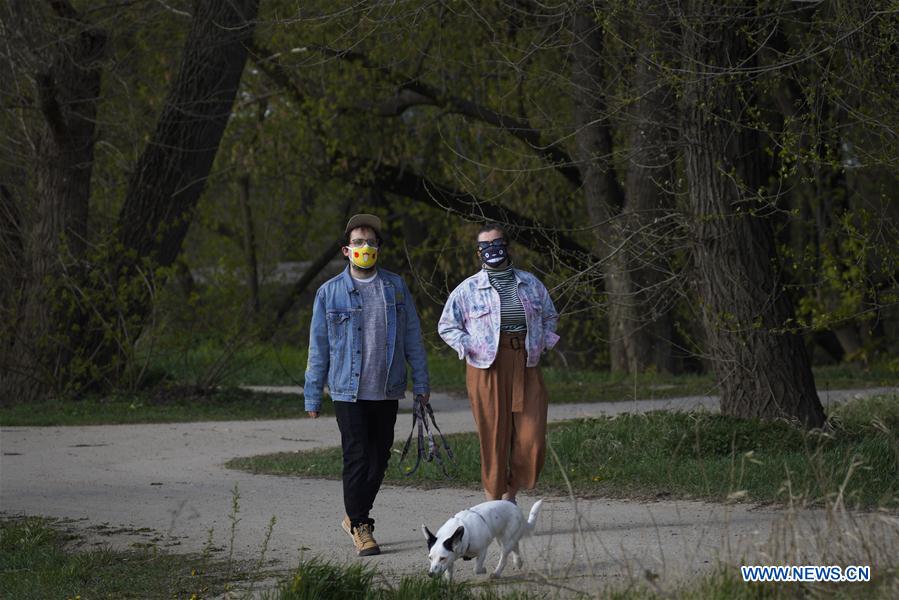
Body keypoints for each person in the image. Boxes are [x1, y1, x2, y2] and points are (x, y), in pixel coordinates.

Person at [304, 213, 430, 556]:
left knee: (379, 460)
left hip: (386, 389)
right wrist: (313, 393)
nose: (365, 247)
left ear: (379, 249)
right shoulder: (329, 293)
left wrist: (421, 382)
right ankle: (361, 525)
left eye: (371, 242)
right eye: (358, 242)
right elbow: (319, 347)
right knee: (357, 457)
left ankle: (352, 514)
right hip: (348, 391)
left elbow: (412, 338)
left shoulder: (395, 287)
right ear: (346, 250)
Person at [438, 222, 559, 503]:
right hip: (486, 368)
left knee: (532, 437)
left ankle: (510, 495)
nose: (492, 250)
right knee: (494, 437)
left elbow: (550, 316)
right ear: (479, 253)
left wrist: (543, 343)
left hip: (526, 363)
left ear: (508, 246)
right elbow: (446, 326)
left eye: (497, 244)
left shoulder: (530, 283)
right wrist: (469, 346)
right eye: (485, 246)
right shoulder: (467, 290)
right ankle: (495, 502)